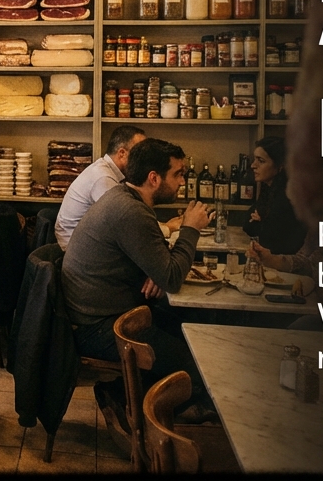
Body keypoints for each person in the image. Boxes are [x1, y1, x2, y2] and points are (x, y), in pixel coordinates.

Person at [61, 137, 215, 422]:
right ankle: (158, 423)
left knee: (184, 326)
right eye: (178, 174)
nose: (183, 182)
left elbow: (161, 269)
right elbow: (171, 277)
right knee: (197, 365)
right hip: (99, 327)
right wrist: (190, 229)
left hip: (106, 313)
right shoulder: (131, 211)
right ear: (154, 178)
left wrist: (155, 270)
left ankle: (123, 395)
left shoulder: (125, 197)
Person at [54, 125, 146, 249]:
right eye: (140, 154)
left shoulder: (106, 170)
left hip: (83, 241)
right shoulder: (103, 178)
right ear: (122, 153)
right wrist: (167, 228)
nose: (144, 161)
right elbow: (124, 222)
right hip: (75, 249)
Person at [244, 135, 306, 255]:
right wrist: (262, 222)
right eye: (254, 159)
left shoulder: (288, 196)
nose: (253, 165)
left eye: (261, 161)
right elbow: (247, 225)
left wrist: (261, 222)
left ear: (279, 166)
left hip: (286, 267)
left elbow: (273, 241)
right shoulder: (268, 188)